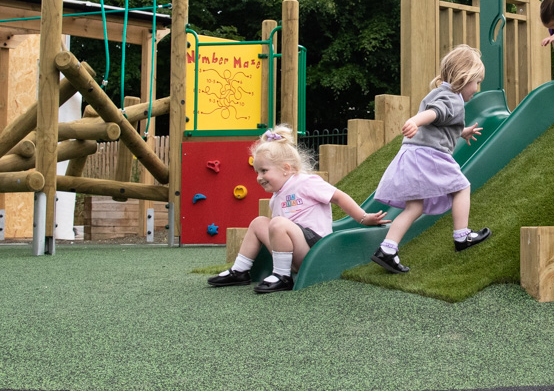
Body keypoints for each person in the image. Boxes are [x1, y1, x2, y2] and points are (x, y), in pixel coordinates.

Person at [208, 124, 390, 293]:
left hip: (313, 250)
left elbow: (338, 197)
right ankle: (240, 271)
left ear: (286, 168)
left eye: (264, 171)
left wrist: (363, 218)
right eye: (257, 172)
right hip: (290, 253)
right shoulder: (277, 197)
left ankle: (282, 276)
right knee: (258, 223)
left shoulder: (305, 182)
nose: (259, 177)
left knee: (278, 223)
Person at [370, 44, 491, 273]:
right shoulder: (452, 98)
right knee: (462, 187)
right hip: (430, 156)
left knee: (414, 207)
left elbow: (440, 121)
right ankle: (462, 236)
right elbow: (435, 113)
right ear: (464, 78)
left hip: (412, 154)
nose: (477, 88)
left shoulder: (437, 92)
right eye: (476, 81)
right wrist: (415, 121)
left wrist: (461, 132)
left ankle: (387, 249)